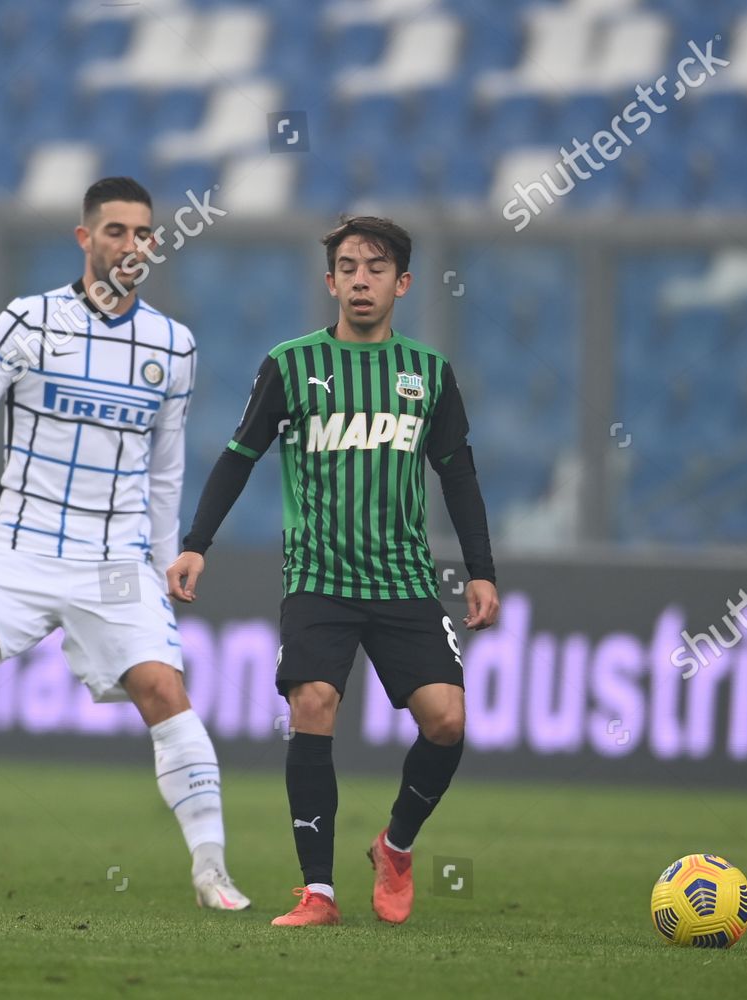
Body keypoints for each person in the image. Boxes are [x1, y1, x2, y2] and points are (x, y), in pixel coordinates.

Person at [0, 178, 248, 910]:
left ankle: (211, 868)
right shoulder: (28, 321)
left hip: (113, 560)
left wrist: (167, 559)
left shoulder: (174, 345)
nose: (130, 246)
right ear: (85, 238)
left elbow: (166, 470)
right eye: (115, 232)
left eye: (143, 234)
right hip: (20, 545)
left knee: (165, 691)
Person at [167, 216, 499, 926]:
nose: (360, 280)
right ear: (329, 281)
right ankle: (318, 891)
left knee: (447, 722)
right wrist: (197, 542)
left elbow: (458, 475)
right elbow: (238, 453)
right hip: (318, 576)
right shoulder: (289, 365)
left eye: (376, 268)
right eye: (347, 267)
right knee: (313, 701)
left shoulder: (429, 374)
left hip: (406, 578)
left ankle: (396, 846)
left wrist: (480, 569)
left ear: (402, 283)